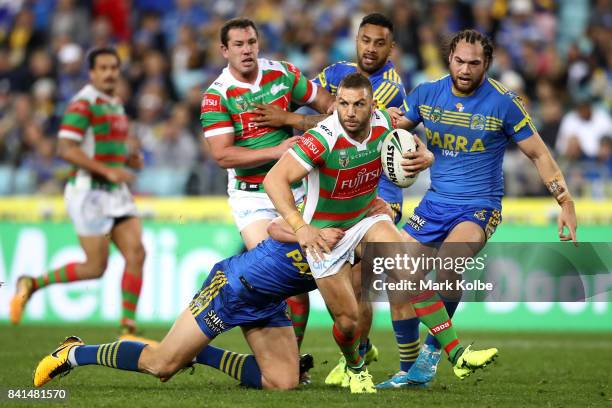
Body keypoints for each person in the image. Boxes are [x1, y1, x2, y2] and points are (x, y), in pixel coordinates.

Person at [263, 72, 498, 394]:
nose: (349, 112)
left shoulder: (385, 122)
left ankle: (456, 353)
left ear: (371, 105)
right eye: (343, 103)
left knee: (409, 270)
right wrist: (302, 228)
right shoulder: (321, 139)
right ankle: (355, 366)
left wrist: (426, 156)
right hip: (326, 235)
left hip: (367, 219)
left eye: (358, 104)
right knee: (347, 322)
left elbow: (415, 143)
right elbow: (273, 181)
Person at [377, 29, 578, 389]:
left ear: (487, 63)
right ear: (448, 58)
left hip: (479, 207)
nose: (466, 69)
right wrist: (400, 136)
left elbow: (539, 154)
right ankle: (410, 370)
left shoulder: (504, 102)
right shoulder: (425, 94)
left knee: (450, 262)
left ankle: (432, 352)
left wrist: (565, 201)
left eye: (474, 63)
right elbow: (392, 138)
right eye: (459, 61)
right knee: (398, 276)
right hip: (434, 204)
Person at [252, 14, 426, 381]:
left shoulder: (389, 87)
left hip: (379, 195)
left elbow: (335, 124)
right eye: (366, 40)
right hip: (335, 188)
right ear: (357, 39)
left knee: (362, 284)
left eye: (380, 43)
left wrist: (288, 119)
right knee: (334, 289)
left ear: (391, 49)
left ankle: (360, 361)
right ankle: (355, 351)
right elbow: (315, 101)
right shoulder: (338, 71)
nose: (371, 48)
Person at [200, 19, 334, 374]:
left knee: (307, 280)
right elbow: (222, 155)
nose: (247, 50)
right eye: (239, 44)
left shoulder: (284, 75)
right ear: (224, 51)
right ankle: (284, 362)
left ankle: (295, 361)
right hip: (252, 197)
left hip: (299, 189)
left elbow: (331, 108)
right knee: (279, 274)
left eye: (252, 42)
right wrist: (278, 152)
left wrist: (293, 118)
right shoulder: (217, 95)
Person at [10, 47, 149, 339]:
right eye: (104, 68)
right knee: (95, 267)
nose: (110, 73)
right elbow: (66, 149)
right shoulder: (82, 105)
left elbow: (109, 146)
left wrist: (128, 159)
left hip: (115, 191)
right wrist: (107, 170)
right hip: (88, 193)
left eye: (114, 67)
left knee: (137, 253)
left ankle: (128, 330)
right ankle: (32, 283)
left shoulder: (115, 102)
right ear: (92, 73)